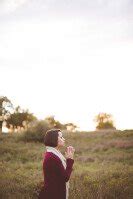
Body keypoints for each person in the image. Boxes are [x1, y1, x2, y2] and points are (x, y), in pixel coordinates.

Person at [38, 129, 75, 199]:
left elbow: (59, 176)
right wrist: (70, 160)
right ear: (54, 139)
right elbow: (65, 177)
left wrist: (68, 159)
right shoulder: (52, 157)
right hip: (52, 195)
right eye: (61, 137)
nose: (64, 139)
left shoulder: (53, 154)